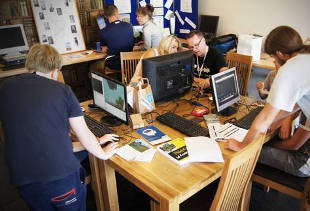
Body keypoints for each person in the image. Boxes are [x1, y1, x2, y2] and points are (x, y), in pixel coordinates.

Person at [0, 44, 119, 210]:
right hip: (57, 179)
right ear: (54, 70)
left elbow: (49, 142)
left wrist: (97, 141)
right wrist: (103, 154)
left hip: (22, 178)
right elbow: (84, 133)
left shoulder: (6, 87)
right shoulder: (63, 91)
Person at [225, 26, 310, 154]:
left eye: (274, 58)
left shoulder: (289, 70)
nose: (275, 62)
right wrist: (275, 119)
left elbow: (264, 118)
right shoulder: (305, 53)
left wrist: (242, 145)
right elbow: (298, 103)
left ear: (280, 53)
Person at [99, 4, 134, 70]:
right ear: (117, 13)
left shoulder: (103, 31)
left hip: (114, 64)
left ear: (106, 16)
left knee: (95, 65)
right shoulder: (129, 26)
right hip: (130, 61)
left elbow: (104, 50)